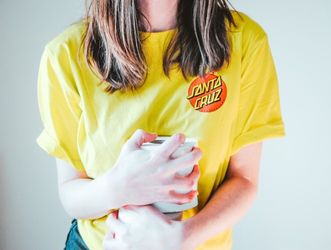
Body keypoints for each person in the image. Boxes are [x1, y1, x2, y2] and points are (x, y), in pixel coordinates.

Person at [35, 0, 286, 249]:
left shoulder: (244, 41)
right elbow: (71, 193)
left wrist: (182, 237)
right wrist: (118, 186)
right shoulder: (65, 55)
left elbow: (244, 179)